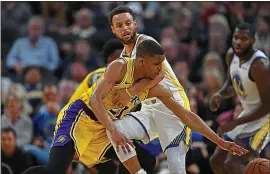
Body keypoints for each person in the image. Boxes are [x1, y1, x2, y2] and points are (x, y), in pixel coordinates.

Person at [22, 40, 247, 174]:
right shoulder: (118, 67)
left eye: (162, 65)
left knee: (146, 161)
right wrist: (113, 130)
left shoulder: (156, 88)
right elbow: (94, 100)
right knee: (56, 171)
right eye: (156, 64)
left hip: (104, 130)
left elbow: (187, 116)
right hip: (81, 118)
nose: (161, 70)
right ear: (142, 61)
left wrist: (220, 141)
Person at [209, 23, 270, 174]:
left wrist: (235, 122)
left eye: (244, 39)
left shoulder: (260, 66)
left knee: (232, 162)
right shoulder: (231, 55)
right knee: (216, 161)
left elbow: (267, 106)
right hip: (248, 114)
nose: (238, 42)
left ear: (253, 40)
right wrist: (220, 94)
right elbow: (232, 85)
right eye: (236, 37)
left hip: (266, 119)